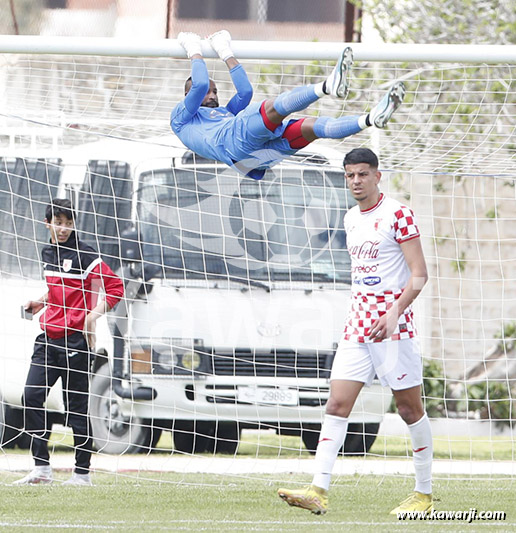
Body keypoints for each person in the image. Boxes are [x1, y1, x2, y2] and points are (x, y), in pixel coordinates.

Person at [277, 148, 433, 515]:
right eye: (350, 176)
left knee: (410, 409)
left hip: (393, 329)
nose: (356, 182)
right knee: (336, 405)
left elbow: (419, 274)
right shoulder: (349, 218)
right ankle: (318, 489)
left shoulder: (398, 214)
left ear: (378, 176)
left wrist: (394, 313)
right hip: (357, 327)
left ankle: (423, 495)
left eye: (362, 174)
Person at [171, 31, 405, 180]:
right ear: (188, 96)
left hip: (252, 162)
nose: (212, 94)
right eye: (207, 92)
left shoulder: (224, 113)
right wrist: (195, 50)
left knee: (312, 127)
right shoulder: (182, 118)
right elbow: (199, 84)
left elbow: (245, 91)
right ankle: (326, 86)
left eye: (215, 91)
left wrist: (225, 52)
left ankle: (370, 119)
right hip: (232, 143)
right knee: (273, 108)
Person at [14, 198, 124, 486]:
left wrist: (92, 317)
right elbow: (59, 289)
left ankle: (82, 473)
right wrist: (40, 301)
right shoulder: (47, 252)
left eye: (68, 223)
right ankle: (41, 469)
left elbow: (115, 288)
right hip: (47, 340)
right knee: (31, 397)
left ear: (73, 224)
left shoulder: (87, 256)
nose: (63, 228)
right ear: (47, 223)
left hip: (76, 343)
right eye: (58, 222)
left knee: (76, 408)